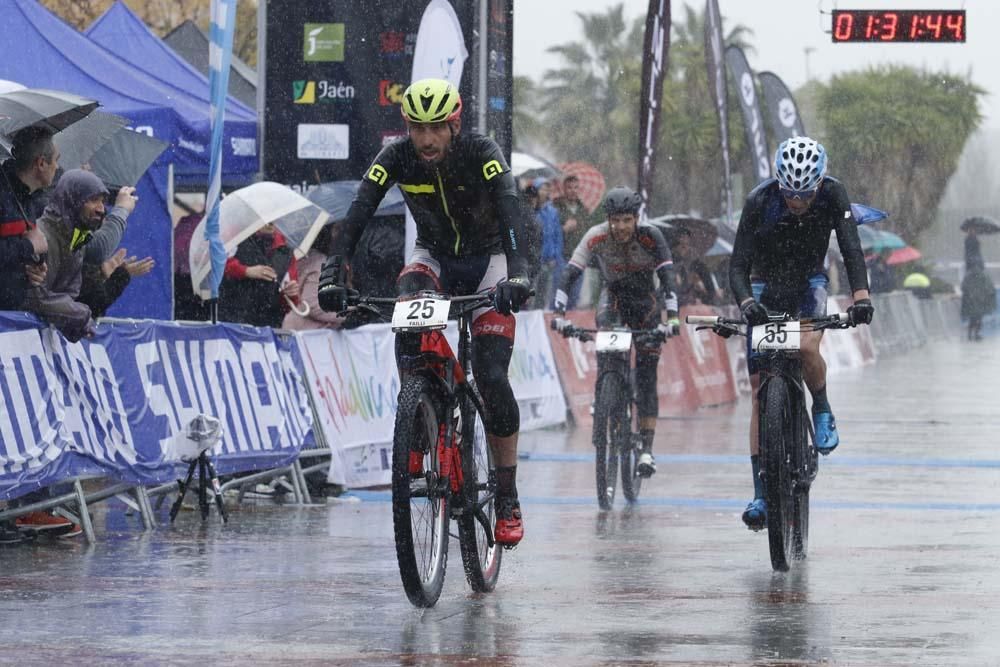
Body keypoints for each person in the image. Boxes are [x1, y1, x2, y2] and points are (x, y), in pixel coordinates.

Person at [317, 78, 532, 546]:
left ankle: (508, 495)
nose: (427, 139)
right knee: (407, 314)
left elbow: (512, 211)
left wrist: (518, 274)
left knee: (492, 376)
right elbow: (358, 211)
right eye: (417, 128)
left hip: (490, 261)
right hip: (433, 255)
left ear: (454, 125)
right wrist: (333, 272)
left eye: (436, 128)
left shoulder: (482, 152)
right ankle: (416, 420)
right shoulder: (395, 157)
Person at [729, 136, 874, 531]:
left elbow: (850, 248)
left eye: (805, 194)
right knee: (760, 389)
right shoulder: (760, 200)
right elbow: (737, 265)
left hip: (809, 281)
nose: (797, 202)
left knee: (808, 344)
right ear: (779, 183)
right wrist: (745, 304)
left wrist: (861, 297)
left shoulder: (833, 194)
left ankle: (822, 407)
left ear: (819, 183)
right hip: (763, 284)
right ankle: (760, 492)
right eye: (791, 194)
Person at [552, 186, 681, 477]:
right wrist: (558, 312)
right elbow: (570, 273)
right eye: (615, 220)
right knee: (609, 355)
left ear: (636, 218)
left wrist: (672, 319)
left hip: (646, 302)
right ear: (608, 219)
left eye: (626, 220)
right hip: (614, 299)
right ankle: (606, 395)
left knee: (647, 373)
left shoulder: (651, 236)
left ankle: (646, 449)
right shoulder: (596, 235)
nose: (620, 227)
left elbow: (668, 278)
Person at [25, 170, 137, 342]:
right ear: (73, 200)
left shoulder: (76, 237)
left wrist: (104, 277)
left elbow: (69, 295)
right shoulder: (45, 237)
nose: (101, 209)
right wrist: (81, 316)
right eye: (93, 200)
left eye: (103, 202)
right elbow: (35, 298)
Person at [0, 127, 59, 314]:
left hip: (11, 318)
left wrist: (32, 268)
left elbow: (12, 251)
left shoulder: (29, 199)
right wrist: (29, 246)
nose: (57, 167)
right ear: (41, 163)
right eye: (56, 160)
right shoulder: (3, 194)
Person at [218, 223, 301, 328]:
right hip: (233, 318)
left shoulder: (285, 250)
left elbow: (287, 304)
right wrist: (246, 271)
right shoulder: (236, 238)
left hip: (269, 324)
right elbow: (218, 263)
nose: (270, 222)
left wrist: (291, 294)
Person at [670, 227, 723, 306]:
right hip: (676, 306)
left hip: (696, 307)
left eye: (687, 244)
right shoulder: (669, 264)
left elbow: (710, 291)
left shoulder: (697, 265)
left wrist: (699, 287)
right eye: (681, 243)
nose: (684, 247)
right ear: (674, 246)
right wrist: (686, 282)